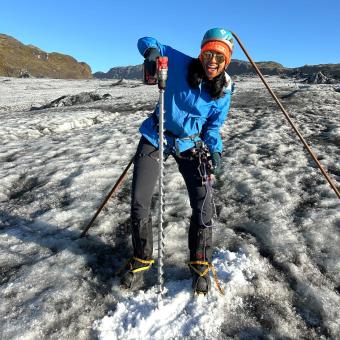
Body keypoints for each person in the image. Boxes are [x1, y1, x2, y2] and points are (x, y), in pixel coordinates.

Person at [120, 28, 234, 295]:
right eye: (208, 54)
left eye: (219, 56)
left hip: (191, 144)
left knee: (204, 205)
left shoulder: (225, 89)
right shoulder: (178, 61)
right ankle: (141, 258)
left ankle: (199, 264)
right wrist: (151, 52)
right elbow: (146, 39)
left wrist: (214, 150)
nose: (212, 62)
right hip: (156, 136)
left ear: (227, 59)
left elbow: (213, 127)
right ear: (201, 52)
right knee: (140, 201)